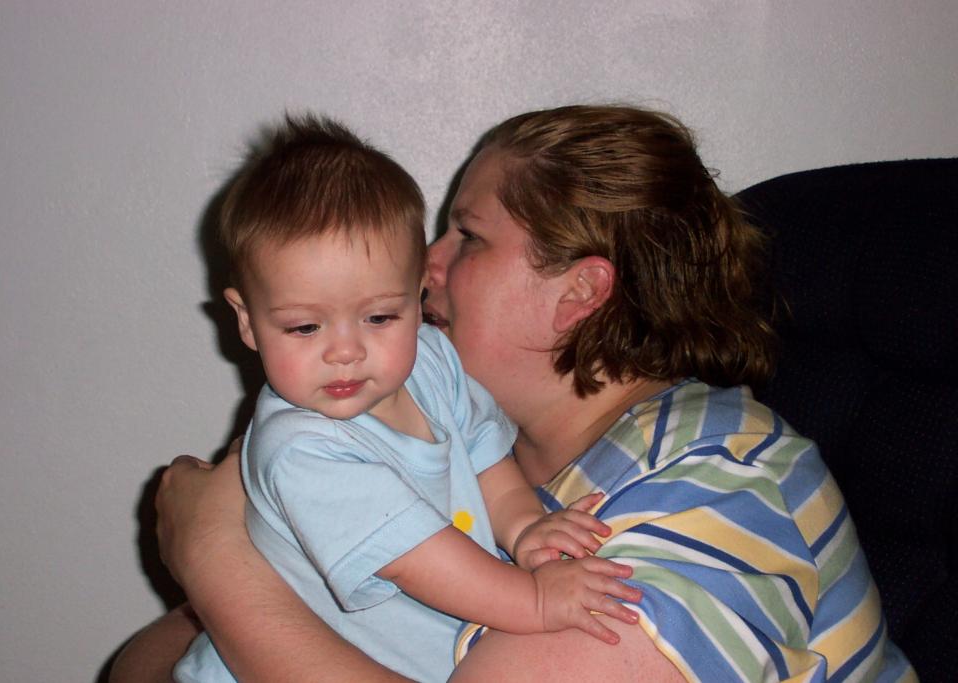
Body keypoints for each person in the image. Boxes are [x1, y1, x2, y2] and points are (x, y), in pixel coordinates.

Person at [111, 105, 915, 682]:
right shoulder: (453, 450)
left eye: (468, 236)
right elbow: (144, 665)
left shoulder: (719, 481)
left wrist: (214, 557)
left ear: (578, 291)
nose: (423, 265)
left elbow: (241, 613)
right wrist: (229, 582)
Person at [172, 115, 641, 683]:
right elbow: (419, 562)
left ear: (418, 293)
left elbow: (485, 456)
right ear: (246, 320)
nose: (345, 352)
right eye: (304, 327)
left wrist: (523, 527)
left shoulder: (433, 362)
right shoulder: (300, 449)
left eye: (379, 317)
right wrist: (536, 601)